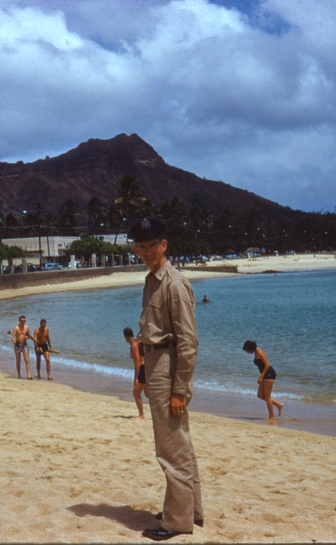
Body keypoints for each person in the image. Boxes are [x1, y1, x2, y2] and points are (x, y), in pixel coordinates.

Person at [130, 217, 203, 542]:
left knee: (171, 447)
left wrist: (179, 389)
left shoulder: (174, 283)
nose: (147, 251)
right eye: (141, 246)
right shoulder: (152, 280)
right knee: (180, 444)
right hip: (156, 361)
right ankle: (191, 512)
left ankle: (176, 522)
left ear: (164, 244)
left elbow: (188, 341)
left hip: (169, 365)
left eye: (152, 245)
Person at [242, 340, 284, 419]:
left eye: (247, 350)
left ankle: (271, 417)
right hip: (265, 374)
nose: (246, 352)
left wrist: (261, 376)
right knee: (260, 395)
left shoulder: (259, 352)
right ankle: (278, 405)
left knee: (267, 396)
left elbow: (267, 365)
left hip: (269, 374)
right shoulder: (256, 352)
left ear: (250, 348)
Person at [123, 327, 146, 420]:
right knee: (148, 394)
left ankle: (141, 415)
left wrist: (136, 378)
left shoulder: (133, 346)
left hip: (142, 370)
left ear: (125, 337)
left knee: (136, 393)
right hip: (147, 369)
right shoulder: (139, 342)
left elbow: (137, 363)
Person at [11, 315, 32, 379]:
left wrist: (27, 337)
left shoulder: (27, 327)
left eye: (24, 321)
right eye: (22, 321)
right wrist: (14, 342)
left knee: (27, 360)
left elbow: (28, 335)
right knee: (18, 361)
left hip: (24, 344)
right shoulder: (16, 328)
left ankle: (28, 375)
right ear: (19, 321)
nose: (23, 322)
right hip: (17, 345)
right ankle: (19, 375)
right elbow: (12, 336)